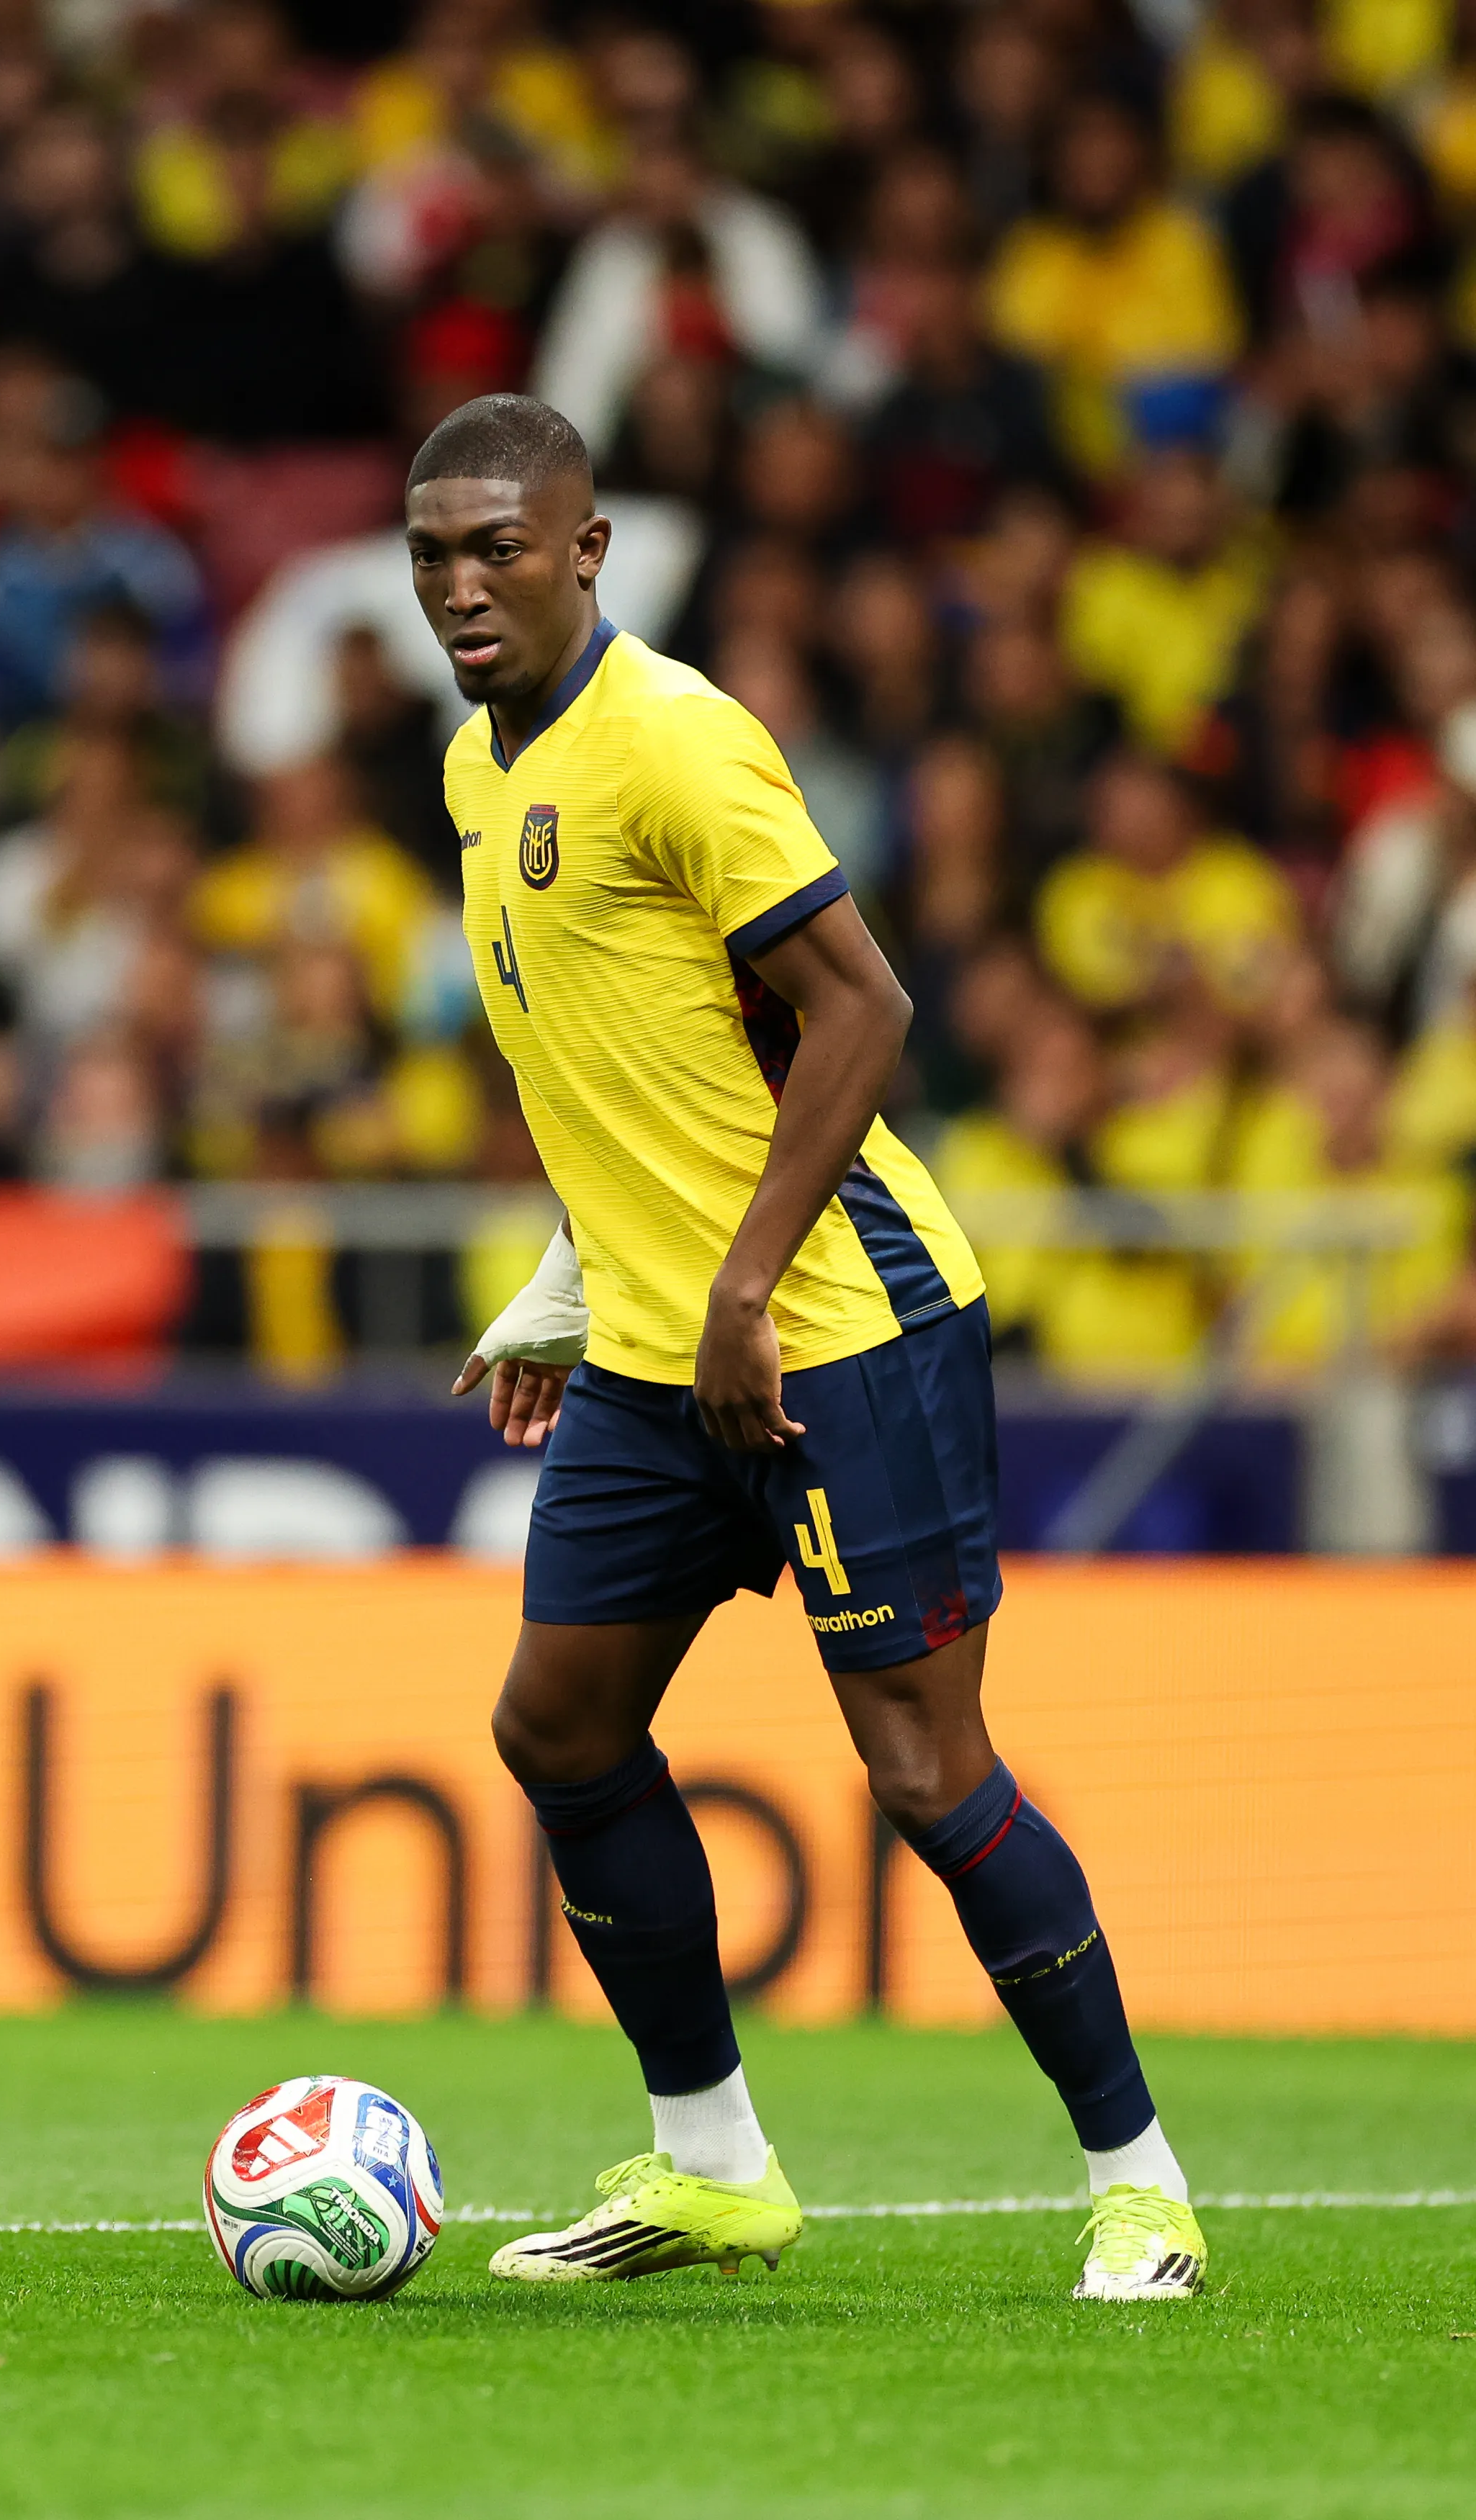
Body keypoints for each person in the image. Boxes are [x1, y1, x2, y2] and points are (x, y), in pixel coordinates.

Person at [406, 391, 1208, 2303]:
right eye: (431, 553)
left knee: (926, 1772)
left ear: (587, 549)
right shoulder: (474, 776)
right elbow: (630, 1068)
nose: (461, 586)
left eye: (499, 548)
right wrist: (575, 1283)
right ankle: (714, 2167)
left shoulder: (678, 743)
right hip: (659, 1345)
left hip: (840, 1327)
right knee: (556, 1725)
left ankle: (1144, 2189)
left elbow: (863, 1010)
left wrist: (745, 1290)